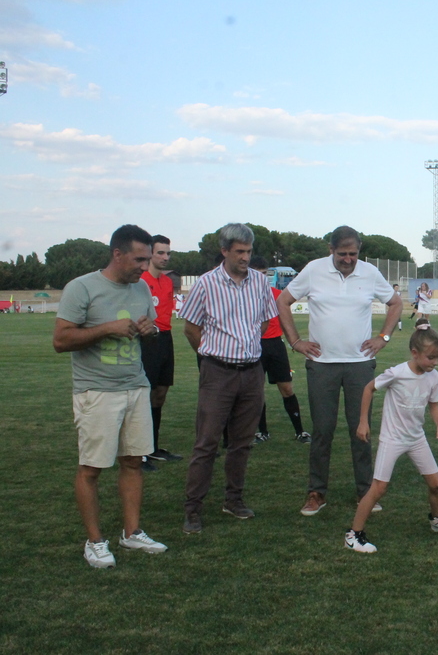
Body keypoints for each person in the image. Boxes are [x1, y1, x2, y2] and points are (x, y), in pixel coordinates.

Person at [53, 224, 168, 568]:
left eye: (147, 259)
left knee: (133, 461)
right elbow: (60, 341)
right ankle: (95, 541)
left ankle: (131, 533)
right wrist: (107, 329)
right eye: (138, 259)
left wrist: (149, 330)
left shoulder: (141, 289)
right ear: (117, 254)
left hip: (135, 386)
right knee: (91, 467)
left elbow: (148, 328)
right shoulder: (82, 288)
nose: (143, 267)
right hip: (97, 391)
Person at [276, 226, 403, 517]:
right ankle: (316, 492)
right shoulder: (313, 270)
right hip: (322, 365)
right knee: (322, 430)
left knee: (361, 430)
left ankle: (365, 492)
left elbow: (395, 303)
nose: (348, 260)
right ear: (330, 250)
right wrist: (295, 341)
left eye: (353, 254)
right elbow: (283, 301)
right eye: (342, 254)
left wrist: (383, 337)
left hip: (360, 364)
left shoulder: (370, 273)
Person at [179, 223, 278, 534]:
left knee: (242, 443)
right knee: (207, 443)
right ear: (224, 251)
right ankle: (193, 508)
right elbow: (191, 328)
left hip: (251, 372)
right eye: (239, 252)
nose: (245, 257)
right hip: (217, 372)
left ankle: (233, 499)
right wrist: (212, 355)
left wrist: (245, 347)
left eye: (248, 252)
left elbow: (263, 324)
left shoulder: (260, 283)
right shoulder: (206, 284)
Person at [345, 320, 438, 553]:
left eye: (437, 358)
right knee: (378, 488)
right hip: (392, 439)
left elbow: (434, 405)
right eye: (431, 358)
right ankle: (354, 534)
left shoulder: (433, 377)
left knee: (437, 484)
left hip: (416, 439)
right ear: (415, 353)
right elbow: (368, 389)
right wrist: (363, 422)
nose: (435, 363)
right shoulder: (397, 373)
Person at [250, 256, 310, 445]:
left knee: (286, 388)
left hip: (275, 345)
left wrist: (294, 341)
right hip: (254, 346)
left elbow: (285, 319)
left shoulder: (277, 295)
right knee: (256, 391)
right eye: (257, 274)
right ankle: (262, 431)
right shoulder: (243, 295)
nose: (261, 278)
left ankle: (300, 431)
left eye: (264, 275)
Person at [139, 234, 183, 472]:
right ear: (150, 254)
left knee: (160, 393)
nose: (165, 257)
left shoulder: (167, 283)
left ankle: (153, 446)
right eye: (160, 253)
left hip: (166, 339)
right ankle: (139, 452)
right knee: (144, 395)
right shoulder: (141, 280)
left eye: (168, 253)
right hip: (147, 340)